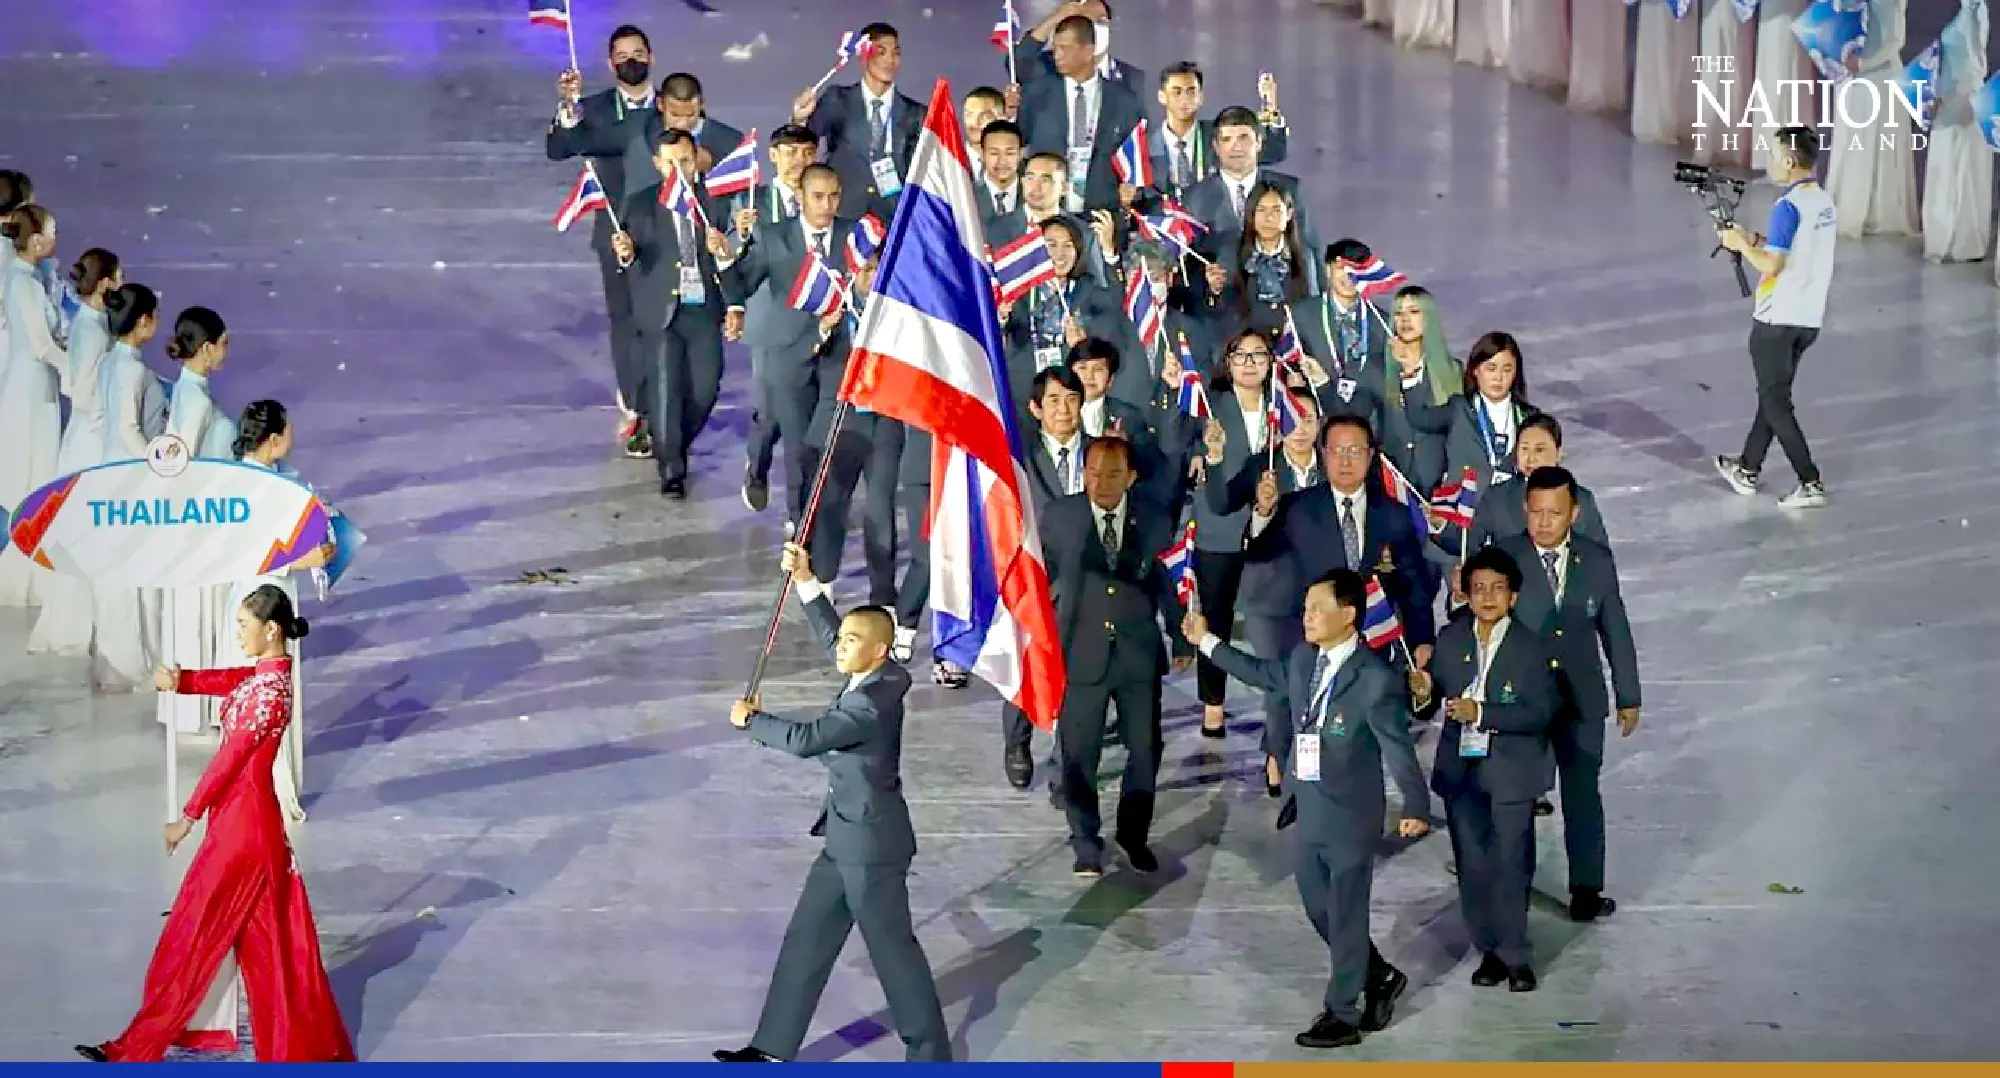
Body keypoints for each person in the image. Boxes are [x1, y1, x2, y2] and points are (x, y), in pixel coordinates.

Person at [77, 586, 355, 1063]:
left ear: (271, 630)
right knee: (274, 957)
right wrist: (183, 681)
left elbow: (228, 761)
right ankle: (301, 1053)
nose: (238, 636)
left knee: (190, 937)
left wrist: (185, 818)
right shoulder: (266, 682)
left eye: (244, 627)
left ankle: (135, 1048)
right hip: (250, 830)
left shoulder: (270, 696)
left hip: (241, 835)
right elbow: (234, 680)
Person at [714, 543, 950, 1063]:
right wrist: (806, 582)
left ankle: (931, 1056)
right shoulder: (873, 673)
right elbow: (832, 634)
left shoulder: (868, 703)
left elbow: (806, 740)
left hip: (871, 847)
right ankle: (773, 1047)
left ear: (880, 651)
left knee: (894, 956)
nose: (839, 647)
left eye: (851, 641)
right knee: (807, 941)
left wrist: (751, 721)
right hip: (845, 837)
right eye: (842, 638)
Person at [1185, 569, 1431, 1046]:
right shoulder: (1303, 660)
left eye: (1318, 609)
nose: (1308, 617)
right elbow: (1259, 673)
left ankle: (1340, 1013)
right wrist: (1208, 641)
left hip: (1351, 815)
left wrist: (1415, 805)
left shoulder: (1375, 680)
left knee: (1345, 913)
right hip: (1308, 807)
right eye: (1305, 608)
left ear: (1349, 614)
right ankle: (1379, 976)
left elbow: (1399, 748)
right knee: (1319, 909)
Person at [1496, 467, 1640, 923]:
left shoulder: (1596, 560)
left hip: (1581, 700)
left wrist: (1628, 694)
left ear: (1573, 512)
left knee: (1582, 794)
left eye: (1554, 513)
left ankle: (1585, 889)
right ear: (1525, 510)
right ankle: (1509, 882)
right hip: (1524, 704)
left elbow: (1613, 626)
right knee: (1517, 798)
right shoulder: (1505, 558)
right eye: (1536, 512)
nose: (1544, 522)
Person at [1042, 438, 1189, 876]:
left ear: (1131, 477)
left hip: (1137, 655)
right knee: (1078, 755)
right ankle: (1085, 839)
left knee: (1144, 748)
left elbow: (1167, 581)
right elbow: (1039, 580)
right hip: (1079, 654)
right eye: (1094, 473)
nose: (1101, 483)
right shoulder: (1061, 518)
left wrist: (1180, 637)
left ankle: (1133, 834)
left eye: (1112, 474)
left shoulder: (1153, 520)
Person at [1415, 547, 1557, 992]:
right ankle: (1489, 952)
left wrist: (1484, 712)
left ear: (1513, 596)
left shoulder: (1533, 648)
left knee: (1512, 865)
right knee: (1473, 866)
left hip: (1512, 774)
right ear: (1467, 594)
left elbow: (1541, 712)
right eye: (1479, 589)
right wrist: (1421, 691)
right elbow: (1430, 697)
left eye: (1498, 589)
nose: (1488, 597)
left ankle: (1517, 955)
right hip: (1461, 772)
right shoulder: (1452, 638)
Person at [546, 25, 663, 455]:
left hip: (665, 231)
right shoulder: (591, 109)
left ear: (651, 57)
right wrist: (568, 108)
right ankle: (639, 408)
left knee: (663, 321)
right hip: (615, 232)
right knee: (626, 321)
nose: (632, 61)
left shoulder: (669, 107)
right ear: (611, 63)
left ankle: (661, 404)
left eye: (639, 53)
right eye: (623, 55)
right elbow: (559, 149)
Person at [1714, 125, 1834, 509]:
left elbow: (1772, 264)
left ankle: (1809, 480)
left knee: (1776, 401)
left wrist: (1739, 247)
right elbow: (1792, 251)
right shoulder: (1822, 203)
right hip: (1807, 318)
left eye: (1773, 153)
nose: (1769, 161)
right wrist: (1751, 239)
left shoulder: (1786, 207)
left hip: (1776, 318)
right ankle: (1748, 468)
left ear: (1788, 160)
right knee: (1773, 396)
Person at [611, 127, 733, 499]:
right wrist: (626, 253)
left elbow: (736, 255)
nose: (678, 169)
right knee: (665, 390)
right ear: (657, 165)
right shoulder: (641, 203)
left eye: (684, 160)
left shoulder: (716, 202)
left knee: (705, 389)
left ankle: (672, 441)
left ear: (695, 159)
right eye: (670, 163)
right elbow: (630, 255)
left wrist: (724, 248)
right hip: (660, 312)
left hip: (703, 308)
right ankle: (671, 468)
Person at [232, 401, 337, 828]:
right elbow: (248, 550)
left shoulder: (273, 477)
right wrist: (304, 557)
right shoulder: (247, 485)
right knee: (267, 695)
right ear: (272, 439)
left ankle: (270, 785)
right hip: (261, 597)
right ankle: (267, 790)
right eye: (288, 431)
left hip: (275, 594)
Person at [28, 248, 121, 655]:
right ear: (105, 284)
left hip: (90, 435)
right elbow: (79, 389)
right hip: (92, 438)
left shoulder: (94, 324)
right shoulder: (92, 330)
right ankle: (77, 625)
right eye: (118, 278)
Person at [158, 307, 238, 735]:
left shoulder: (190, 392)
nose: (227, 350)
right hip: (200, 524)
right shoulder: (195, 401)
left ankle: (198, 704)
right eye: (224, 342)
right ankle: (196, 705)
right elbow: (179, 467)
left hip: (199, 520)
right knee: (200, 610)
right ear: (206, 349)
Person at [92, 283, 169, 691]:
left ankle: (118, 654)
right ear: (143, 322)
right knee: (135, 571)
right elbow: (127, 429)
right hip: (129, 480)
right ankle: (133, 659)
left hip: (110, 474)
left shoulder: (111, 362)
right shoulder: (132, 370)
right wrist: (159, 466)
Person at [787, 23, 922, 221]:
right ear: (863, 55)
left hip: (894, 220)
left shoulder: (916, 113)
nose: (889, 60)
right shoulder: (838, 99)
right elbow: (806, 142)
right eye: (881, 52)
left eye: (896, 53)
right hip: (844, 216)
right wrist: (799, 118)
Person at [0, 204, 65, 609]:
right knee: (27, 476)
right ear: (37, 239)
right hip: (28, 388)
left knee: (39, 474)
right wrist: (76, 373)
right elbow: (42, 344)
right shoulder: (21, 283)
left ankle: (32, 573)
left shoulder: (34, 279)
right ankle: (18, 578)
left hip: (40, 386)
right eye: (52, 229)